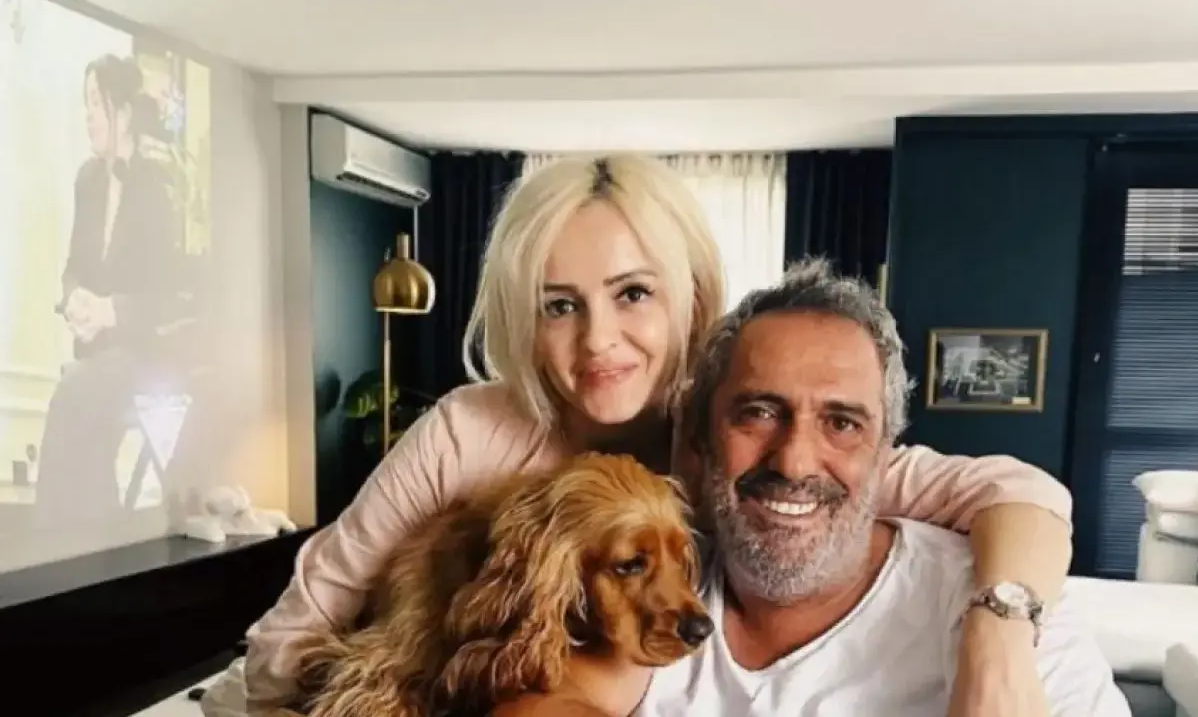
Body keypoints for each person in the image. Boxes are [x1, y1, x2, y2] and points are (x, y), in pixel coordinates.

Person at [228, 155, 1074, 716]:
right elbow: (290, 640)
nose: (598, 340)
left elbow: (1021, 493)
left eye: (632, 293)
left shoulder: (742, 441)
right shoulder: (468, 432)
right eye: (560, 305)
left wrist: (998, 635)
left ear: (691, 295)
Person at [500, 259, 1127, 717]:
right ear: (699, 435)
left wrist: (996, 637)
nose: (795, 460)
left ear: (886, 452)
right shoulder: (662, 583)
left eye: (842, 423)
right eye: (758, 413)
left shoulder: (1007, 617)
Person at [34, 54, 184, 525]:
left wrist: (111, 311)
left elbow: (170, 297)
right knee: (83, 412)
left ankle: (52, 535)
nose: (89, 116)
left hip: (144, 354)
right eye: (87, 104)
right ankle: (90, 532)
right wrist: (74, 300)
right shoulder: (87, 179)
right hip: (95, 351)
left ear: (123, 113)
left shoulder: (158, 187)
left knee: (71, 396)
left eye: (97, 104)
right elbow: (73, 268)